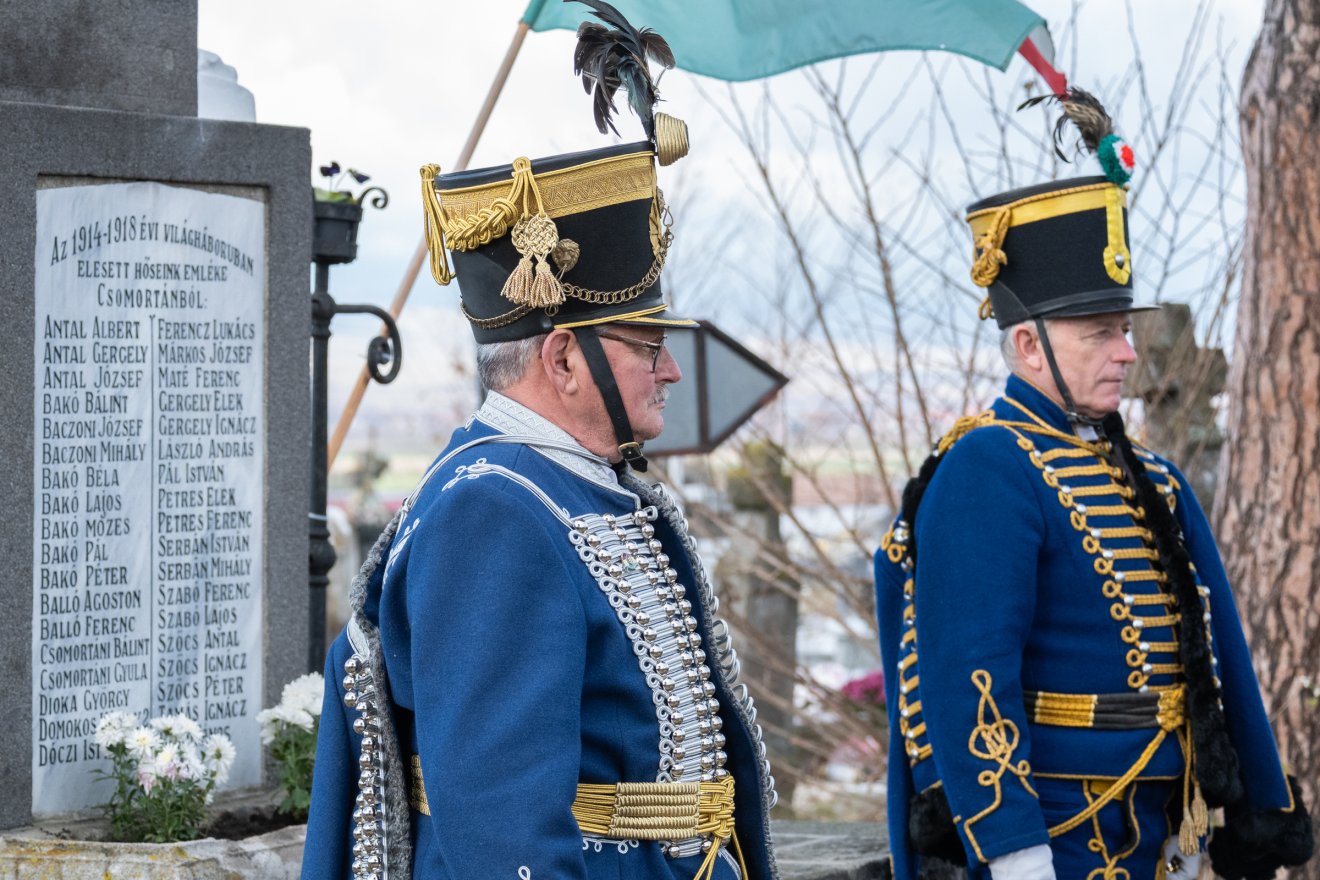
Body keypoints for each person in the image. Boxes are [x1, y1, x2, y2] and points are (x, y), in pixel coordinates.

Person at [301, 5, 778, 880]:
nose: (670, 372)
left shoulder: (573, 485)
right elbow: (502, 830)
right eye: (647, 348)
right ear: (562, 358)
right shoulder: (494, 511)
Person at [874, 90, 1313, 880]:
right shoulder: (987, 468)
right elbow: (971, 672)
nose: (1127, 353)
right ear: (1028, 345)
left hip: (1168, 827)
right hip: (1060, 833)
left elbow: (1222, 659)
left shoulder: (1155, 476)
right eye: (1101, 333)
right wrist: (1012, 848)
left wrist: (1258, 807)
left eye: (1125, 329)